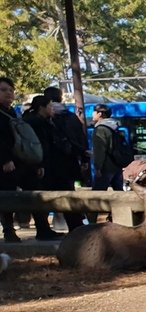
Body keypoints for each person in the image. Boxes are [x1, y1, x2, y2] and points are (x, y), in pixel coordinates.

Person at [43, 86, 88, 230]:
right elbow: (81, 139)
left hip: (49, 163)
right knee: (68, 193)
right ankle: (76, 226)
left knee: (47, 195)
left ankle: (54, 224)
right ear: (60, 98)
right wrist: (84, 159)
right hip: (69, 162)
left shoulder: (46, 117)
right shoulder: (70, 117)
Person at [21, 95, 65, 240]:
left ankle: (44, 229)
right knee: (39, 199)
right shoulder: (36, 122)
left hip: (38, 164)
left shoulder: (32, 119)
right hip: (37, 165)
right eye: (50, 106)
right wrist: (39, 164)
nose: (52, 109)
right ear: (42, 107)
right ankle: (43, 230)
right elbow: (38, 146)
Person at [0, 77, 20, 242]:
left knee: (11, 194)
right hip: (5, 162)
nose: (8, 93)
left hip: (15, 161)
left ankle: (9, 227)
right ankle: (8, 229)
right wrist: (5, 159)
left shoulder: (12, 112)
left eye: (10, 90)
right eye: (3, 90)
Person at [91, 104, 125, 193]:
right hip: (116, 165)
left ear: (100, 114)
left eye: (94, 112)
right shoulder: (114, 127)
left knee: (97, 195)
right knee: (119, 192)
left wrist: (98, 167)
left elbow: (100, 150)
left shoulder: (100, 129)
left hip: (105, 167)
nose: (92, 114)